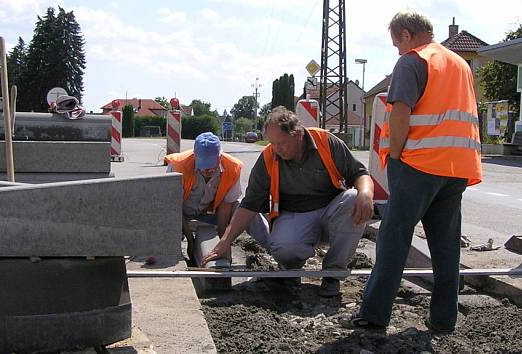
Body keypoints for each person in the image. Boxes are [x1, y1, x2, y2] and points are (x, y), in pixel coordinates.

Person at [345, 11, 482, 331]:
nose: (397, 50)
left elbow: (401, 113)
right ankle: (444, 319)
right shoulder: (460, 64)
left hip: (418, 163)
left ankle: (374, 314)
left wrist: (396, 154)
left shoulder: (412, 61)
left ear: (407, 34)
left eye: (397, 43)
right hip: (457, 166)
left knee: (393, 238)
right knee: (446, 246)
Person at [202, 106, 374, 297]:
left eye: (281, 143)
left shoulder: (325, 142)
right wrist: (225, 241)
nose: (276, 149)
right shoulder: (269, 156)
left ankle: (332, 274)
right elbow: (249, 205)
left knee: (353, 198)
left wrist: (366, 192)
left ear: (298, 134)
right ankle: (291, 269)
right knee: (284, 248)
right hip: (296, 217)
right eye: (272, 143)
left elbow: (359, 173)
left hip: (331, 213)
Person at [154, 132, 245, 265]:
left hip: (208, 214)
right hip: (180, 214)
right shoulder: (178, 166)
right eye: (203, 165)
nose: (207, 170)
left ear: (220, 157)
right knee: (166, 221)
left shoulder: (232, 167)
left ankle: (275, 252)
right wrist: (191, 241)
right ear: (195, 156)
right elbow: (174, 209)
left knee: (242, 207)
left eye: (211, 166)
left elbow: (226, 207)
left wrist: (223, 243)